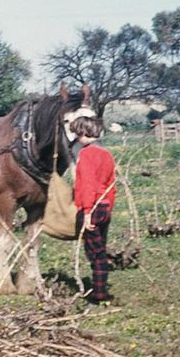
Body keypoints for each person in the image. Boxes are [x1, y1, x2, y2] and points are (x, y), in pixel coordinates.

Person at [72, 116, 117, 305]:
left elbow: (88, 184)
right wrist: (108, 207)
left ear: (83, 133)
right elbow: (111, 184)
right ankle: (101, 288)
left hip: (93, 208)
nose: (76, 137)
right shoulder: (106, 154)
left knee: (95, 254)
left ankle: (99, 294)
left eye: (77, 134)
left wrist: (88, 212)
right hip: (105, 206)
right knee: (101, 250)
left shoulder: (87, 154)